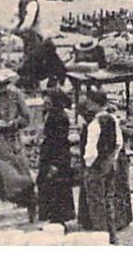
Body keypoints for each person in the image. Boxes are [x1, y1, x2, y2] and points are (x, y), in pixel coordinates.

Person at [0, 68, 35, 215]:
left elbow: (27, 118)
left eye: (4, 84)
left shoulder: (16, 97)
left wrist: (14, 123)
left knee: (19, 170)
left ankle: (25, 202)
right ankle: (2, 202)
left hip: (12, 141)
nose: (1, 88)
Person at [77, 92, 130, 242]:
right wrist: (112, 158)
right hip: (110, 164)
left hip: (96, 167)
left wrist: (88, 166)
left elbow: (91, 151)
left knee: (96, 203)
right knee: (109, 200)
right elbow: (119, 143)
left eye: (89, 103)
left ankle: (102, 236)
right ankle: (113, 235)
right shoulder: (113, 119)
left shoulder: (94, 124)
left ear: (94, 104)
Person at [35, 88, 77, 226]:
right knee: (49, 187)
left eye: (48, 99)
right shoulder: (51, 114)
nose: (44, 102)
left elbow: (59, 142)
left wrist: (54, 164)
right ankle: (54, 218)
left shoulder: (59, 117)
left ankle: (58, 220)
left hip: (56, 157)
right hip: (51, 155)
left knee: (57, 188)